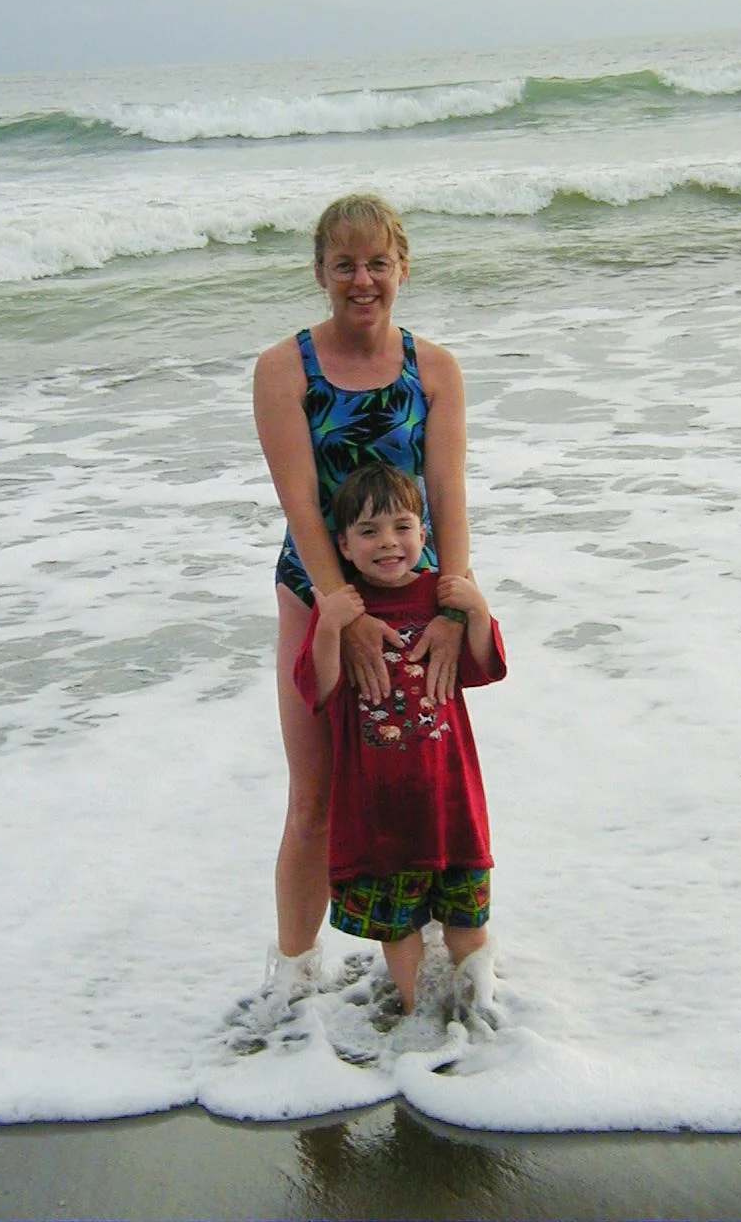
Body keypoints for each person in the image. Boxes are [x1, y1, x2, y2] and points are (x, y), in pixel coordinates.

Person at [253, 193, 472, 998]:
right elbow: (300, 505)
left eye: (378, 263)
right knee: (315, 798)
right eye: (344, 264)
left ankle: (437, 967)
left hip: (414, 607)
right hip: (315, 598)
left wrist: (454, 608)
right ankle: (291, 981)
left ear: (402, 268)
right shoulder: (284, 370)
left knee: (423, 786)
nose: (362, 280)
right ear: (320, 271)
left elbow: (447, 495)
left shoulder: (434, 369)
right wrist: (339, 613)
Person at [292, 463, 507, 1015]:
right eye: (368, 531)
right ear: (343, 546)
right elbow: (317, 687)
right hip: (377, 813)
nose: (388, 542)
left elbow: (487, 665)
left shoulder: (442, 599)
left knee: (467, 920)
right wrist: (329, 624)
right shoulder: (344, 612)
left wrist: (476, 609)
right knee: (399, 927)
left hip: (451, 802)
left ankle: (477, 1012)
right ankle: (417, 1013)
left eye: (402, 527)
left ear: (423, 534)